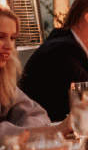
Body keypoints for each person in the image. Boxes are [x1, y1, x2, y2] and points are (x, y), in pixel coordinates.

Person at [0, 7, 55, 137]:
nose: (9, 46)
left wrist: (25, 132)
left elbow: (37, 115)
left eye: (13, 38)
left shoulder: (3, 79)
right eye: (1, 37)